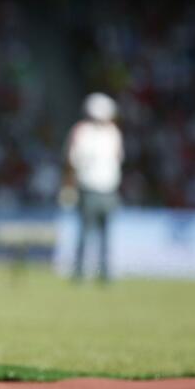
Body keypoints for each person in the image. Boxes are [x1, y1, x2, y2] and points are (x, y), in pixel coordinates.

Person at [61, 92, 123, 282]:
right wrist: (69, 185)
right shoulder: (82, 131)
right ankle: (79, 270)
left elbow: (117, 159)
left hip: (109, 189)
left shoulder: (113, 133)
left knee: (105, 234)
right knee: (85, 232)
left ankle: (104, 272)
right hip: (88, 189)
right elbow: (72, 160)